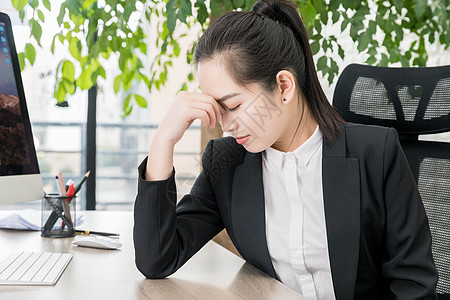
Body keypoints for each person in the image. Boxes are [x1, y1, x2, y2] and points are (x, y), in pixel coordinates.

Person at [133, 0, 438, 299]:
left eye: (234, 105)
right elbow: (157, 259)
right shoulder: (226, 163)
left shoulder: (376, 153)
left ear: (284, 86)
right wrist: (163, 141)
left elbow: (413, 284)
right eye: (218, 108)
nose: (227, 125)